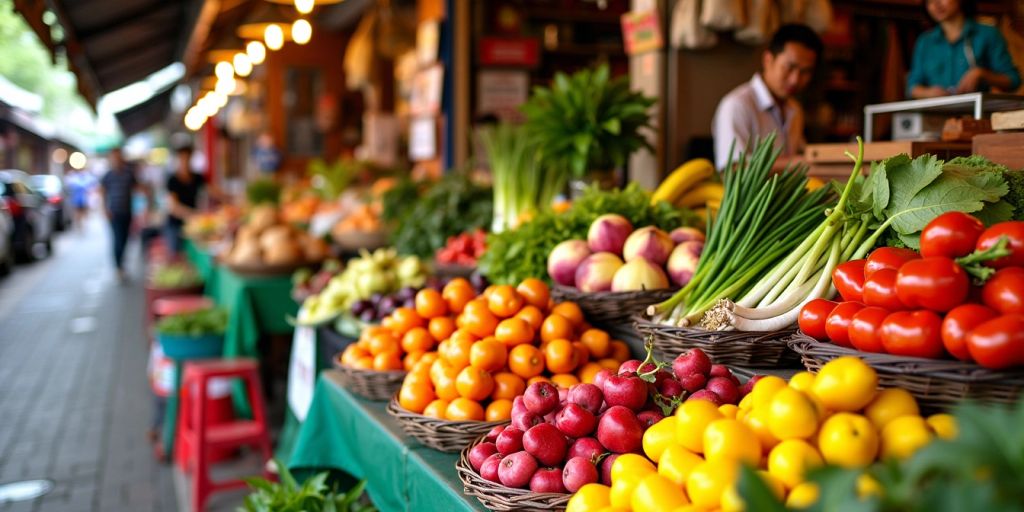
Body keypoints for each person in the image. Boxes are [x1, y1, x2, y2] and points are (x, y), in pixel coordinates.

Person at [711, 24, 823, 170]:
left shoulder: (795, 109)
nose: (795, 79)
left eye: (805, 72)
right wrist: (798, 163)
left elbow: (802, 155)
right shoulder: (737, 105)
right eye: (790, 67)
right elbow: (733, 168)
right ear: (768, 60)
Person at [908, 0, 1020, 98]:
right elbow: (912, 87)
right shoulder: (925, 42)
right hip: (935, 116)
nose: (936, 4)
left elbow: (1013, 80)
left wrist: (982, 74)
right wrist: (929, 93)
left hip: (976, 115)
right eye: (930, 1)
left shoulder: (988, 34)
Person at [99, 148, 139, 281]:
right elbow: (103, 193)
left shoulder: (128, 174)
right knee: (117, 239)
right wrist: (104, 209)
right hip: (114, 213)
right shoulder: (108, 176)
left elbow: (137, 189)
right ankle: (118, 266)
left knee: (126, 238)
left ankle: (121, 263)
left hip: (127, 212)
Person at [164, 145, 204, 257]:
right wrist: (194, 214)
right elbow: (173, 206)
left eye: (187, 158)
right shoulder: (172, 180)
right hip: (175, 224)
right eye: (182, 158)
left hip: (192, 225)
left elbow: (215, 191)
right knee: (176, 256)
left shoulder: (197, 177)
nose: (185, 161)